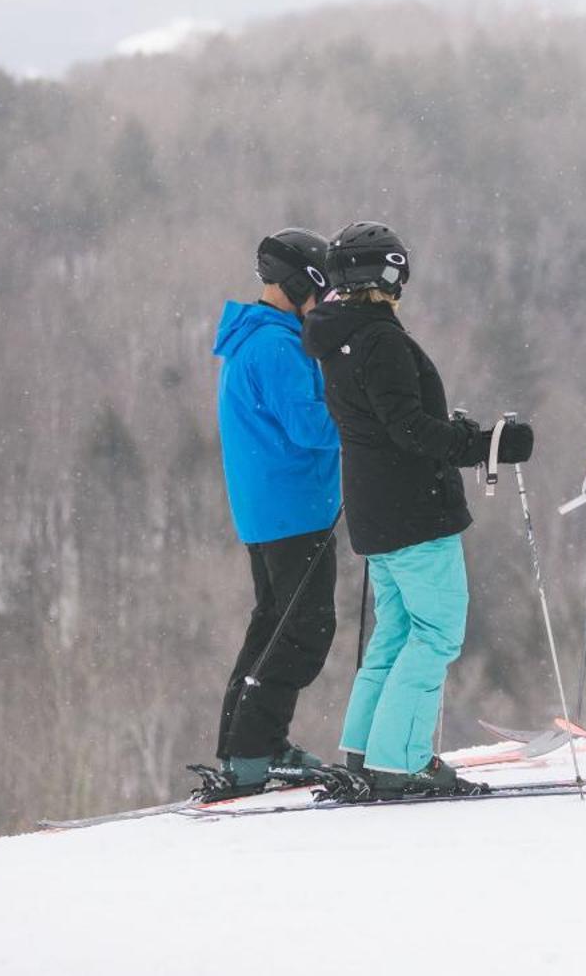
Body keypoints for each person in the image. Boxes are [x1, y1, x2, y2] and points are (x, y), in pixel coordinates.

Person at [302, 221, 534, 798]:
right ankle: (400, 761)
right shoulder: (380, 339)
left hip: (375, 509)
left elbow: (388, 424)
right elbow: (408, 430)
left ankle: (364, 751)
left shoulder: (336, 337)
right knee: (435, 635)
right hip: (413, 511)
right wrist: (484, 444)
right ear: (388, 273)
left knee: (397, 633)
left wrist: (453, 432)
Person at [209, 227, 345, 794]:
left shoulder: (255, 338)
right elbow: (311, 426)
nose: (329, 303)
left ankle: (254, 747)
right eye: (325, 291)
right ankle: (251, 752)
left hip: (271, 511)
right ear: (301, 285)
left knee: (272, 626)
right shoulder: (275, 346)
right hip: (295, 510)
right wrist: (359, 404)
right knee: (305, 632)